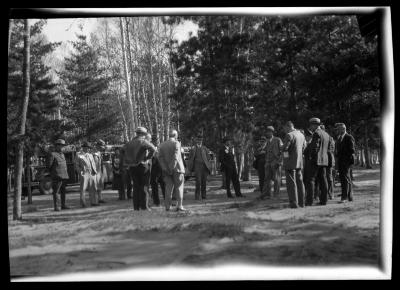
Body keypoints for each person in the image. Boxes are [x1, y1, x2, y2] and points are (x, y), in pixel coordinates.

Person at [123, 127, 156, 211]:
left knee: (136, 187)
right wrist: (147, 158)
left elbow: (122, 150)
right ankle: (144, 206)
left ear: (137, 133)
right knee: (144, 186)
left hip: (132, 167)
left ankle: (136, 207)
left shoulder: (129, 143)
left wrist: (128, 160)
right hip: (143, 166)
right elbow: (153, 149)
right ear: (143, 134)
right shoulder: (143, 141)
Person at [305, 118, 332, 206]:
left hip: (316, 160)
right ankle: (324, 200)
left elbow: (315, 147)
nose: (310, 127)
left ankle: (309, 201)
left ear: (314, 125)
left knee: (311, 180)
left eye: (311, 125)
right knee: (323, 180)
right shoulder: (326, 134)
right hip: (324, 160)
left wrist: (310, 156)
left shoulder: (316, 133)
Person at [158, 130, 187, 211]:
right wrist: (171, 168)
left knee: (168, 189)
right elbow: (176, 156)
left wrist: (165, 168)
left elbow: (160, 158)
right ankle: (179, 206)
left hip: (166, 170)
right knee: (179, 188)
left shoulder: (162, 145)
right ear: (175, 135)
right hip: (177, 169)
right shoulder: (177, 143)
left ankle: (167, 207)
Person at [282, 121, 306, 208]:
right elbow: (304, 147)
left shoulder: (289, 135)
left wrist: (281, 148)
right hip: (299, 162)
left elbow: (286, 148)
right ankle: (302, 202)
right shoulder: (301, 135)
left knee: (291, 183)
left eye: (284, 128)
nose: (284, 130)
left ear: (288, 126)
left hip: (290, 163)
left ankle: (293, 203)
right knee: (300, 182)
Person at [47, 139, 70, 211]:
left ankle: (63, 205)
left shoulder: (62, 154)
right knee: (56, 192)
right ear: (57, 146)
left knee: (63, 191)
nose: (62, 147)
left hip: (64, 176)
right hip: (57, 176)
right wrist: (53, 174)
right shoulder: (52, 154)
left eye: (63, 146)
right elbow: (49, 166)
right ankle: (56, 207)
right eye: (61, 145)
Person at [187, 134, 212, 200]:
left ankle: (204, 196)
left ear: (202, 140)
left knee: (204, 182)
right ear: (196, 140)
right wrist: (190, 167)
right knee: (198, 182)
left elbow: (208, 158)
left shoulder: (205, 148)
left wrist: (208, 166)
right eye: (198, 140)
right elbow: (190, 158)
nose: (199, 141)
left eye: (200, 140)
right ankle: (197, 196)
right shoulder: (193, 148)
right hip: (197, 167)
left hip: (204, 167)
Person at [335, 123, 356, 203]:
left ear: (343, 129)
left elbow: (352, 150)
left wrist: (344, 158)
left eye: (339, 129)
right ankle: (350, 197)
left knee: (345, 179)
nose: (338, 131)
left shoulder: (349, 137)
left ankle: (344, 198)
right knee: (346, 179)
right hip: (341, 161)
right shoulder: (339, 138)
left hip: (346, 162)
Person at [261, 126, 283, 199]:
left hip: (275, 162)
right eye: (267, 131)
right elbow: (264, 151)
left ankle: (276, 195)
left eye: (269, 131)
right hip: (268, 162)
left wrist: (279, 162)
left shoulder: (277, 140)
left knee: (277, 179)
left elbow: (282, 150)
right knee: (267, 179)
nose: (267, 133)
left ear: (272, 132)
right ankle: (267, 194)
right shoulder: (266, 141)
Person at [75, 141, 98, 207]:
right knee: (83, 189)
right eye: (88, 148)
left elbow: (93, 164)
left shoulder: (90, 155)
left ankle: (94, 202)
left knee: (93, 188)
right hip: (84, 173)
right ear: (84, 147)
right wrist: (80, 172)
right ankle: (83, 203)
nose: (89, 149)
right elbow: (76, 165)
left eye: (89, 148)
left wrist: (95, 172)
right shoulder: (78, 154)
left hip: (92, 173)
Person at [149, 134, 166, 207]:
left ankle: (167, 201)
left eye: (158, 140)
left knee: (164, 186)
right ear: (153, 141)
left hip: (161, 169)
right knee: (154, 187)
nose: (157, 142)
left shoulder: (161, 148)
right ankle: (156, 202)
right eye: (155, 140)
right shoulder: (150, 148)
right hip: (153, 170)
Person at [321, 124, 336, 200]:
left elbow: (331, 149)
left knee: (329, 178)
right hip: (322, 161)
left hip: (328, 160)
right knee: (323, 178)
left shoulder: (330, 138)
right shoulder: (320, 137)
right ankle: (324, 194)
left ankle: (331, 193)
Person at [92, 139, 106, 203]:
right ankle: (95, 199)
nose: (103, 147)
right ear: (98, 146)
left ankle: (100, 198)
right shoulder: (93, 152)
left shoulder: (99, 152)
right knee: (95, 186)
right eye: (102, 146)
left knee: (100, 185)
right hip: (94, 172)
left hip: (99, 171)